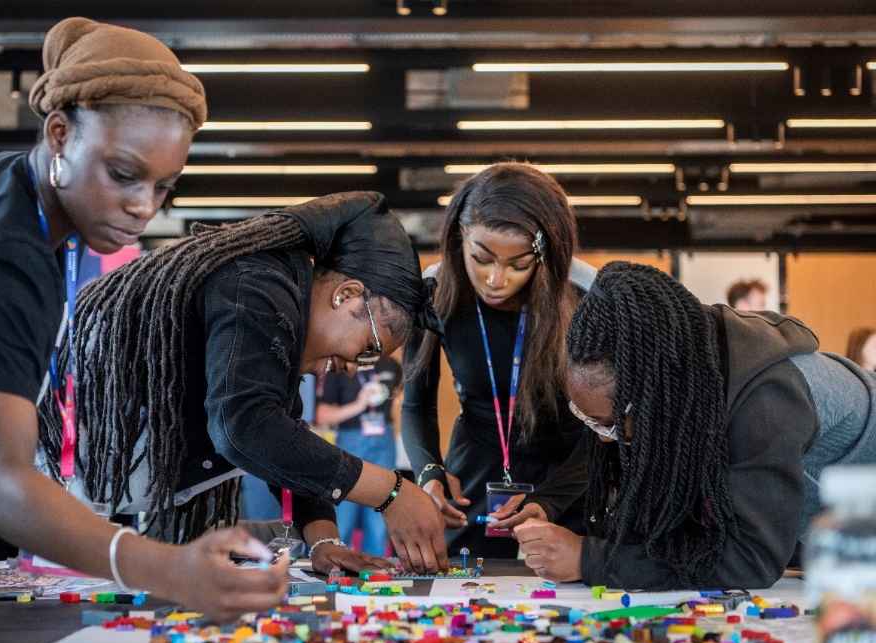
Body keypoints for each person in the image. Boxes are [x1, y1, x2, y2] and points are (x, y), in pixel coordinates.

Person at [0, 17, 292, 621]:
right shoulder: (4, 255)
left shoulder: (8, 186)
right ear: (58, 133)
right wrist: (166, 567)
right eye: (123, 174)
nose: (142, 206)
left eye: (164, 186)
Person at [37, 190, 450, 575]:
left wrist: (323, 538)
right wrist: (392, 491)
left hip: (89, 496)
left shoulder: (282, 309)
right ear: (347, 295)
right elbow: (245, 427)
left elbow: (282, 436)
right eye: (367, 349)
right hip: (42, 485)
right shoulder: (259, 283)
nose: (354, 369)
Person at [516, 261, 876, 589]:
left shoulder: (766, 403)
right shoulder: (683, 369)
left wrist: (589, 559)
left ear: (656, 391)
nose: (604, 439)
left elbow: (752, 560)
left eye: (610, 423)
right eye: (588, 420)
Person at [401, 162, 592, 558]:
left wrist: (552, 500)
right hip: (475, 475)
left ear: (544, 258)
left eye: (519, 265)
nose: (495, 279)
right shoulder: (434, 292)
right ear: (459, 240)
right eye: (481, 258)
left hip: (573, 471)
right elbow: (417, 404)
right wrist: (429, 473)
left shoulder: (587, 297)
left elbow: (610, 429)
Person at [316, 356, 403, 558]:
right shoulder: (339, 366)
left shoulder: (390, 364)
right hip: (350, 440)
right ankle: (337, 566)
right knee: (343, 514)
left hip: (384, 439)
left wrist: (398, 402)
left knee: (380, 516)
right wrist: (359, 404)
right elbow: (321, 416)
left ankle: (376, 572)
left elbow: (402, 390)